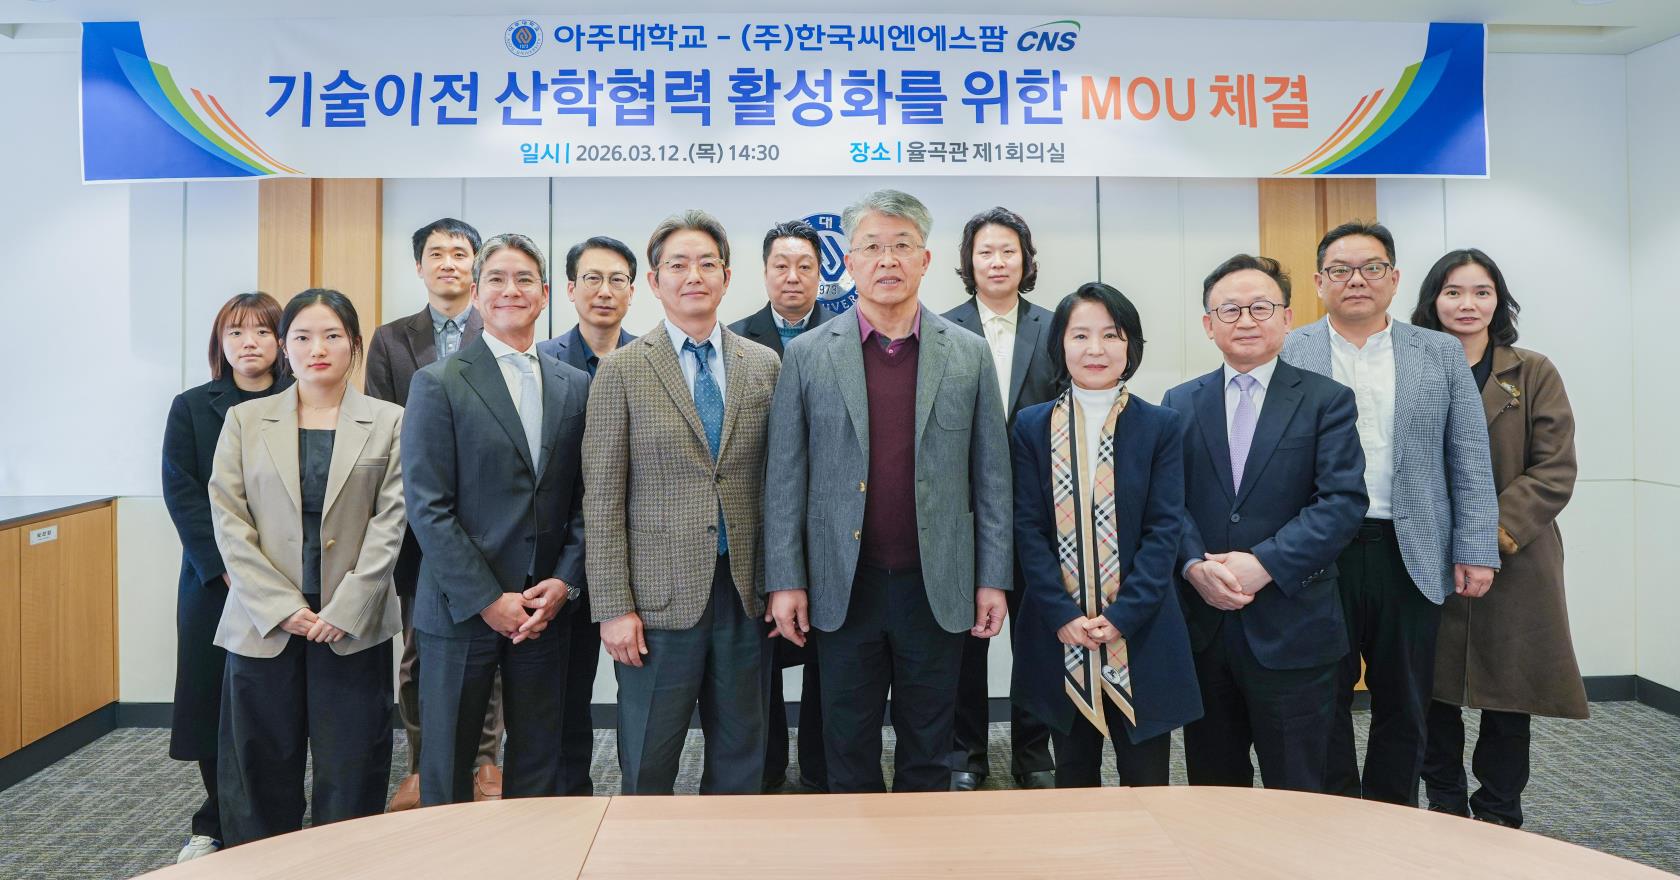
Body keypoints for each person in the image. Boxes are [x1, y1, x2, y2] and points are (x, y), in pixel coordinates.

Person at [764, 189, 1012, 793]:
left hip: (937, 582)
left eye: (902, 245)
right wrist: (785, 580)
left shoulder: (968, 354)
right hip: (845, 584)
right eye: (872, 247)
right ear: (848, 263)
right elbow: (785, 478)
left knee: (930, 746)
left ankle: (920, 842)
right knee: (846, 745)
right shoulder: (808, 355)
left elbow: (992, 479)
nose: (887, 259)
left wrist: (992, 579)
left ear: (925, 260)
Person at [1282, 221, 1500, 806]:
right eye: (1341, 270)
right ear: (1319, 282)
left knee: (1405, 701)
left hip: (1412, 551)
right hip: (1317, 550)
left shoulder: (1439, 352)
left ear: (1395, 278)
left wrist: (1475, 547)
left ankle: (1391, 818)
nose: (1357, 280)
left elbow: (1468, 455)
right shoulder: (1290, 350)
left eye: (1372, 268)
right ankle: (1331, 813)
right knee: (1320, 696)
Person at [584, 211, 782, 795]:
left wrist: (783, 581)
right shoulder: (622, 371)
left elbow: (778, 485)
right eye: (678, 265)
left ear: (726, 277)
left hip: (744, 592)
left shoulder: (763, 364)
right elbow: (603, 499)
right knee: (649, 758)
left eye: (706, 264)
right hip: (655, 602)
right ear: (654, 281)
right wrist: (613, 607)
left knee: (743, 755)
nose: (693, 275)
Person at [207, 289, 405, 846]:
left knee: (352, 764)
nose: (317, 349)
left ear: (354, 345)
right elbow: (229, 520)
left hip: (351, 623)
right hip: (264, 621)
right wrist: (280, 606)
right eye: (302, 337)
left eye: (332, 336)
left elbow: (392, 521)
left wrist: (347, 607)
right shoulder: (245, 420)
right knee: (260, 765)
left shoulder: (389, 421)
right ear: (284, 346)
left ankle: (343, 864)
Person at [1164, 255, 1368, 792]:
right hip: (1205, 627)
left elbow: (1341, 503)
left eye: (1261, 307)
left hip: (1294, 623)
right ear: (1208, 324)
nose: (1246, 320)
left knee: (1302, 788)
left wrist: (1265, 563)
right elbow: (1167, 504)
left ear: (1287, 317)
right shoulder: (1179, 403)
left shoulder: (1327, 401)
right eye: (1229, 310)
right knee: (1215, 786)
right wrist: (1192, 566)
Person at [404, 233, 591, 805]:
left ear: (545, 294)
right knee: (448, 764)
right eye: (497, 279)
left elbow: (586, 499)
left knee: (541, 760)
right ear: (477, 293)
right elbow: (427, 507)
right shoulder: (437, 383)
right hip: (461, 608)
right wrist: (488, 600)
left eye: (524, 279)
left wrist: (563, 583)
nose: (511, 290)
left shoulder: (574, 383)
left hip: (543, 608)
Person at [1411, 248, 1586, 828]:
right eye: (1453, 291)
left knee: (1510, 698)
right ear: (1433, 301)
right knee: (1431, 695)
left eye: (1481, 292)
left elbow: (1554, 470)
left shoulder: (1532, 371)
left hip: (1517, 556)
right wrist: (1445, 538)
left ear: (1499, 302)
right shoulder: (1411, 368)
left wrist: (1484, 538)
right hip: (1427, 554)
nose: (1468, 304)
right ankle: (1444, 806)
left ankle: (1499, 815)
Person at [1012, 282, 1201, 788]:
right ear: (1060, 345)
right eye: (1080, 335)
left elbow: (1165, 528)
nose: (1095, 349)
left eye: (1111, 335)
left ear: (1130, 346)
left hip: (1142, 628)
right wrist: (1062, 614)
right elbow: (1027, 528)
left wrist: (1123, 616)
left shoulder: (1161, 425)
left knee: (1147, 779)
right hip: (1060, 632)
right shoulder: (1031, 426)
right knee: (1074, 777)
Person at [363, 218, 497, 809]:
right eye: (436, 254)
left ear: (476, 265)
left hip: (492, 523)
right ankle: (422, 764)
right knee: (420, 652)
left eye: (460, 253)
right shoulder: (392, 340)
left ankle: (486, 762)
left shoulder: (498, 327)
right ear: (419, 267)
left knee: (491, 652)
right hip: (420, 525)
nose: (448, 263)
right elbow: (384, 431)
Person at [161, 292, 291, 862]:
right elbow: (183, 493)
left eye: (261, 332)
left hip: (291, 577)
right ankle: (214, 819)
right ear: (220, 342)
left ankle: (281, 813)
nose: (249, 343)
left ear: (281, 341)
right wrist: (228, 567)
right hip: (216, 581)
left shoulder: (304, 399)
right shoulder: (192, 406)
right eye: (235, 332)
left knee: (280, 704)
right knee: (213, 701)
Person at [942, 206, 1060, 791]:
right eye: (985, 251)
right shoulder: (939, 329)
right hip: (964, 514)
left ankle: (1033, 754)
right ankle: (965, 753)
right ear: (969, 261)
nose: (996, 262)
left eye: (1008, 251)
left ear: (1025, 260)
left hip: (1041, 513)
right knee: (965, 643)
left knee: (1037, 640)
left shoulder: (1058, 328)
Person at [728, 219, 832, 793]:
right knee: (759, 660)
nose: (792, 276)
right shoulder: (734, 340)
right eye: (781, 266)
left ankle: (819, 769)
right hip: (758, 525)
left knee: (828, 658)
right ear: (764, 272)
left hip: (831, 526)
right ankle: (765, 770)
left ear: (820, 274)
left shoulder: (848, 335)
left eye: (805, 266)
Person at [536, 234, 639, 796]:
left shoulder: (651, 360)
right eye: (592, 279)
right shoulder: (542, 363)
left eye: (617, 279)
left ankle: (637, 799)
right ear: (570, 289)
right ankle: (569, 803)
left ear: (633, 290)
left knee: (641, 695)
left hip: (635, 556)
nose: (604, 291)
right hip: (563, 559)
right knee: (564, 694)